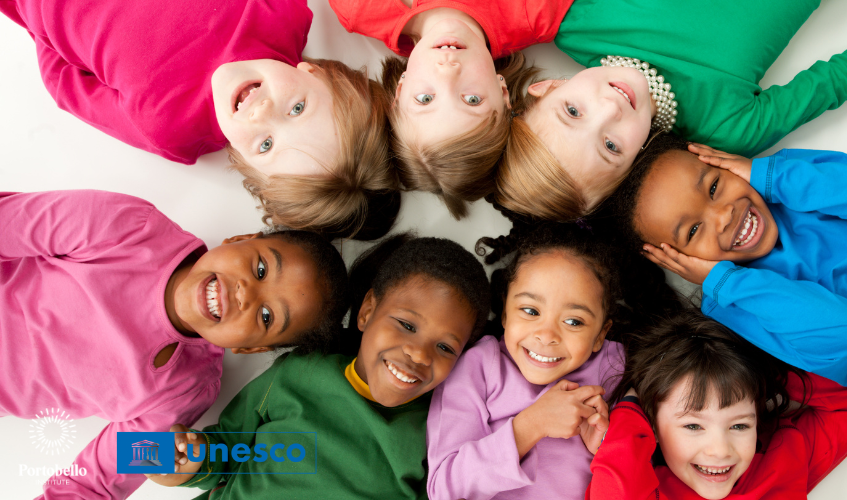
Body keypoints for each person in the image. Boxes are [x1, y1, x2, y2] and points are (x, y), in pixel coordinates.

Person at [615, 133, 847, 437]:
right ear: (678, 262)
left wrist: (771, 175)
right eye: (694, 229)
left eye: (714, 186)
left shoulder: (791, 181)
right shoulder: (738, 300)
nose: (724, 214)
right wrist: (725, 282)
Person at [495, 0, 847, 221]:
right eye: (610, 145)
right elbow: (839, 79)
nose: (608, 106)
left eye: (573, 112)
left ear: (547, 87)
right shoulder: (725, 128)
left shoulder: (576, 19)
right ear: (632, 163)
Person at [0, 189, 350, 499]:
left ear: (250, 348)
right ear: (240, 238)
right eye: (260, 269)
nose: (246, 294)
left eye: (266, 317)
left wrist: (164, 456)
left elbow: (97, 484)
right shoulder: (129, 227)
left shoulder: (185, 391)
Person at [1, 0, 397, 238]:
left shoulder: (171, 130)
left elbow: (65, 86)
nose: (263, 114)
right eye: (297, 110)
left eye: (266, 145)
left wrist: (38, 16)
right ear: (316, 74)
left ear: (245, 163)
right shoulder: (280, 14)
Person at [148, 234, 491, 499]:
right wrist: (174, 462)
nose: (419, 354)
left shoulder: (437, 431)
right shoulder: (301, 372)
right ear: (367, 310)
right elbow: (223, 446)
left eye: (445, 347)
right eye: (407, 325)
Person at [588, 310, 847, 499]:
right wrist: (629, 410)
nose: (720, 450)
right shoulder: (651, 488)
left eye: (739, 425)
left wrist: (762, 370)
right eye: (693, 425)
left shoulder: (784, 461)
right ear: (651, 425)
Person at [425, 224, 626, 499]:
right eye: (530, 311)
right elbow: (444, 489)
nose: (546, 335)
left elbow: (642, 461)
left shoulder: (613, 368)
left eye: (573, 321)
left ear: (600, 335)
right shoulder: (479, 367)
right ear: (505, 313)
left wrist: (604, 445)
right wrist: (531, 425)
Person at [328, 0, 547, 217]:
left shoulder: (357, 8)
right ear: (503, 92)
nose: (447, 72)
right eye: (472, 99)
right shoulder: (535, 11)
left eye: (424, 99)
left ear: (400, 89)